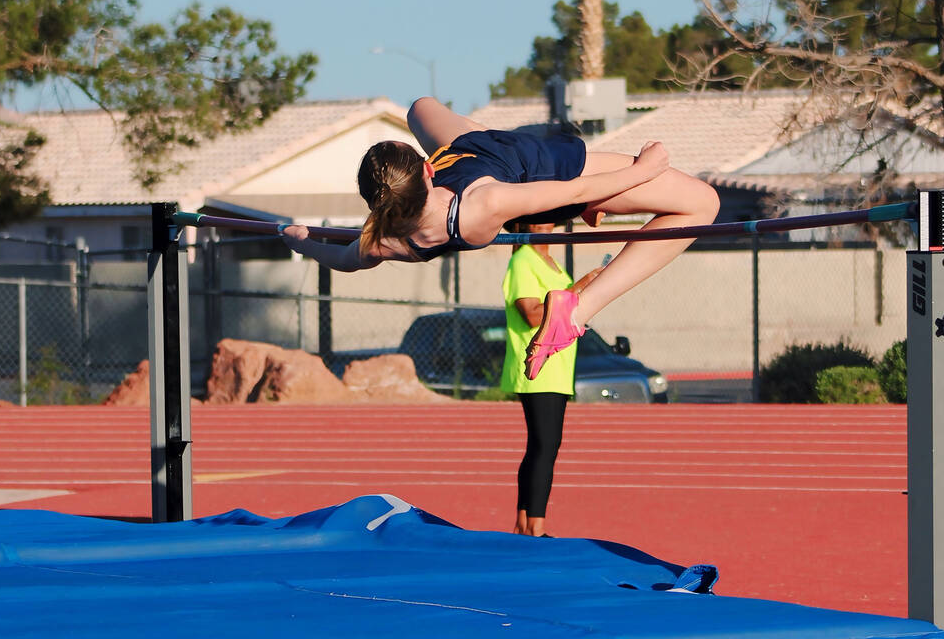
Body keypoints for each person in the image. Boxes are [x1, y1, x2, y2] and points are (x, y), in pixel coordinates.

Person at [282, 96, 720, 379]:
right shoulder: (484, 203)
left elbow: (343, 258)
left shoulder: (389, 237)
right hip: (536, 172)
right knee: (702, 204)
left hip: (477, 151)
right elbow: (577, 190)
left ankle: (582, 238)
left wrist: (300, 241)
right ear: (428, 170)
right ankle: (576, 310)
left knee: (421, 107)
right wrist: (642, 170)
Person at [501, 224, 603, 537]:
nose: (544, 223)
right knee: (545, 445)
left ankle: (525, 524)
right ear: (523, 223)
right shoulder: (522, 261)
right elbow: (532, 314)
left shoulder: (553, 265)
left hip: (558, 367)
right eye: (537, 218)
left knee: (542, 446)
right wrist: (583, 283)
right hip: (535, 364)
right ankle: (536, 526)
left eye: (549, 217)